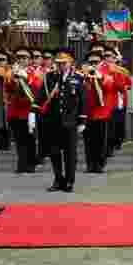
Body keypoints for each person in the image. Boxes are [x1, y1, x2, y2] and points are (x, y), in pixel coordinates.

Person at [40, 48, 88, 192]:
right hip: (53, 121)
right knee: (54, 152)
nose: (61, 65)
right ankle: (58, 179)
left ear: (71, 62)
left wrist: (82, 120)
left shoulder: (78, 78)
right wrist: (33, 112)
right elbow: (42, 95)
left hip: (70, 122)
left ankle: (69, 181)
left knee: (70, 154)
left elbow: (83, 101)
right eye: (59, 63)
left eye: (64, 63)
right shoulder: (50, 77)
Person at [3, 47, 42, 173]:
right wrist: (13, 78)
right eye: (19, 57)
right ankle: (22, 164)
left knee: (30, 139)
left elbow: (38, 88)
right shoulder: (12, 71)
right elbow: (8, 89)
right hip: (15, 111)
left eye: (24, 57)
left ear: (29, 60)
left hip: (29, 111)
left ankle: (30, 164)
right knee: (19, 140)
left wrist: (26, 78)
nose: (21, 60)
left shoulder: (35, 73)